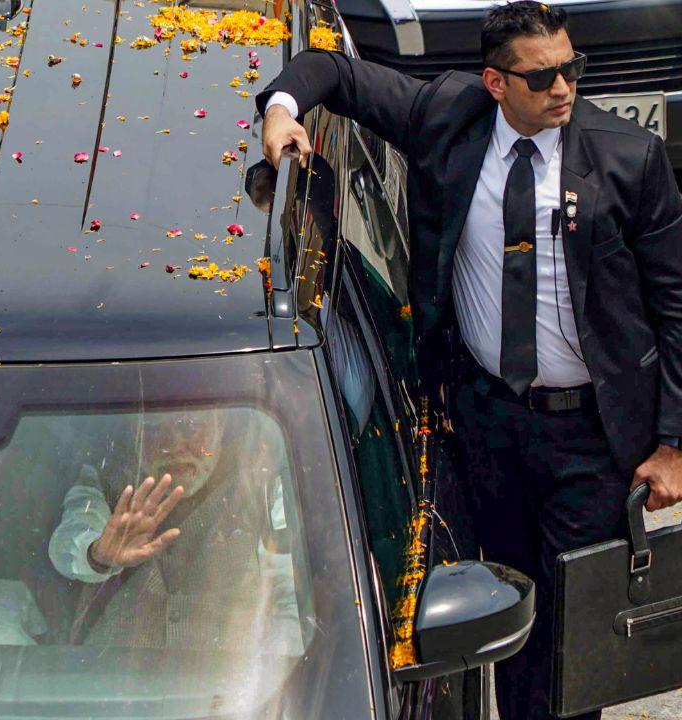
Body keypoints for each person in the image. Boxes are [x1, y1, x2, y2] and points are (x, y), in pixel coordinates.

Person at [258, 2, 682, 718]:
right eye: (542, 77)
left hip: (592, 439)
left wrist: (673, 444)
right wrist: (281, 111)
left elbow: (675, 306)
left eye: (571, 69)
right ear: (494, 82)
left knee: (569, 642)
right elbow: (334, 71)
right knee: (497, 612)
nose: (564, 89)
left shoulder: (626, 159)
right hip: (484, 423)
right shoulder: (446, 117)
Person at [47, 409, 300, 654]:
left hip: (228, 684)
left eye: (189, 425)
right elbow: (72, 536)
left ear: (220, 424)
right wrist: (97, 555)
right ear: (136, 433)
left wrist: (262, 674)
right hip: (111, 678)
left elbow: (292, 598)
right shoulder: (106, 478)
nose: (171, 444)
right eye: (152, 428)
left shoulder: (262, 483)